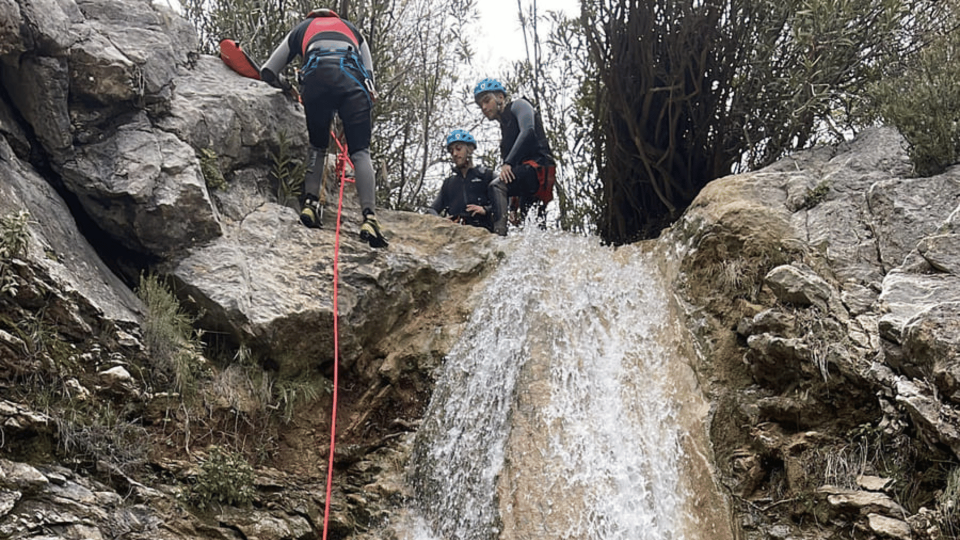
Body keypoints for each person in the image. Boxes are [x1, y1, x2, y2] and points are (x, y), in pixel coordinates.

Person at [260, 8, 387, 248]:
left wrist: (286, 86)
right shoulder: (354, 31)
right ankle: (369, 218)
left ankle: (310, 205)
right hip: (353, 85)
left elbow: (268, 71)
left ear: (312, 17)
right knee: (360, 152)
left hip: (317, 82)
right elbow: (370, 81)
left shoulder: (301, 29)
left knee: (317, 146)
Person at [473, 78, 556, 236]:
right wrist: (512, 207)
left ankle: (499, 238)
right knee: (532, 228)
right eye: (480, 105)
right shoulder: (505, 136)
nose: (484, 107)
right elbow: (513, 174)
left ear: (500, 97)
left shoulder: (518, 105)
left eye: (487, 100)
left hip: (538, 166)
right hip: (530, 176)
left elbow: (528, 130)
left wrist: (508, 162)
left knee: (496, 186)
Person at [428, 129, 495, 232]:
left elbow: (504, 200)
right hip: (457, 237)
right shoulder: (449, 183)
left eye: (458, 148)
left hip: (484, 233)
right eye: (451, 151)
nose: (454, 153)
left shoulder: (486, 175)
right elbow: (431, 210)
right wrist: (440, 221)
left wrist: (485, 210)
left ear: (470, 149)